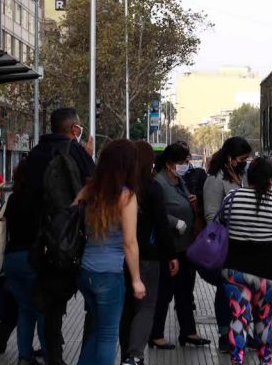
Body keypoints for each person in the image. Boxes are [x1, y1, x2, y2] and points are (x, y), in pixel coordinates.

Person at [24, 107, 95, 365]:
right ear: (74, 129)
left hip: (43, 240)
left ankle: (54, 358)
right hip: (74, 239)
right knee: (93, 303)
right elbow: (93, 188)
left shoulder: (34, 154)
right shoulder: (75, 151)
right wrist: (87, 157)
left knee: (50, 307)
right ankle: (86, 357)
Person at [222, 157, 272, 365]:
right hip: (267, 274)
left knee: (239, 318)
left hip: (235, 271)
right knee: (264, 320)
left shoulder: (231, 198)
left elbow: (222, 223)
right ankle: (266, 360)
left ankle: (237, 360)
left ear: (249, 177)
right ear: (270, 179)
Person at [76, 139, 146, 364]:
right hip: (109, 274)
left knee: (98, 329)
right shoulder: (126, 196)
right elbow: (129, 242)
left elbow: (71, 216)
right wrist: (136, 280)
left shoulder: (89, 190)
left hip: (84, 271)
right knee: (108, 335)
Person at [119, 141, 180, 365]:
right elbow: (162, 224)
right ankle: (135, 355)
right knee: (146, 306)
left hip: (121, 257)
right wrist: (171, 255)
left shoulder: (122, 187)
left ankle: (126, 354)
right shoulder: (152, 188)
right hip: (148, 256)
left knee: (127, 308)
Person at [150, 143, 210, 349]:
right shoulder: (159, 182)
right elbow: (155, 212)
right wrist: (175, 222)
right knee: (165, 292)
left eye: (187, 161)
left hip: (186, 246)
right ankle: (156, 334)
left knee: (185, 291)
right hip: (169, 247)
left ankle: (189, 332)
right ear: (169, 164)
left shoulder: (178, 181)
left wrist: (191, 200)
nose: (186, 165)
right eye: (183, 162)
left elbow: (181, 202)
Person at [202, 137, 251, 350]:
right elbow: (211, 215)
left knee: (242, 290)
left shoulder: (242, 176)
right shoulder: (215, 180)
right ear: (230, 158)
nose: (244, 163)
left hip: (244, 244)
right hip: (225, 245)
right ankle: (225, 334)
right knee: (225, 289)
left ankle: (243, 331)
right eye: (241, 159)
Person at [2, 159, 46, 364]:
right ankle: (49, 354)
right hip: (31, 259)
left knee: (25, 310)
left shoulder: (13, 198)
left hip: (11, 259)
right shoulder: (40, 199)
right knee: (42, 311)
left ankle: (24, 356)